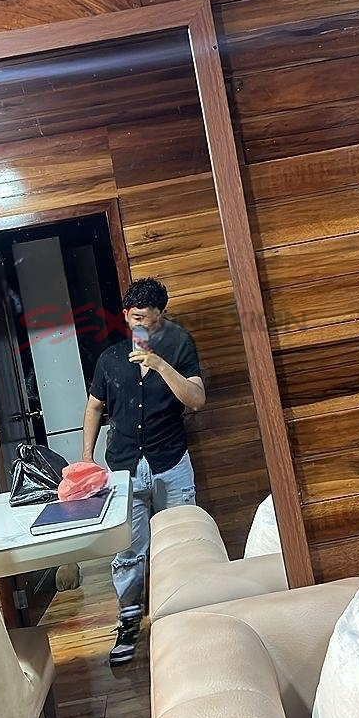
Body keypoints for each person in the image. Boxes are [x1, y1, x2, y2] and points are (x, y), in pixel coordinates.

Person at [82, 277, 205, 665]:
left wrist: (159, 363)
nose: (142, 326)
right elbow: (94, 407)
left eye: (149, 319)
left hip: (171, 461)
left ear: (161, 316)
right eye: (136, 318)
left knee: (184, 542)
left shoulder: (179, 345)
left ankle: (188, 621)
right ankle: (129, 623)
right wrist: (86, 457)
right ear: (125, 315)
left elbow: (196, 400)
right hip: (125, 469)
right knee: (129, 551)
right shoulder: (110, 359)